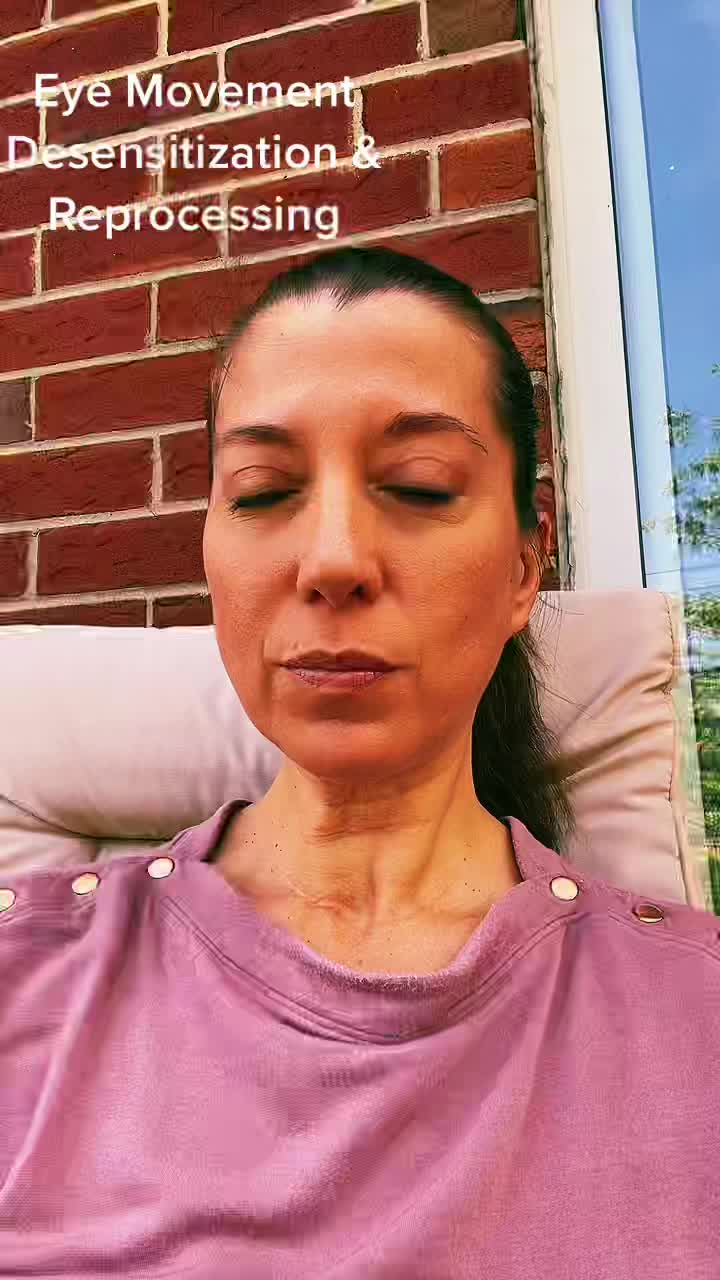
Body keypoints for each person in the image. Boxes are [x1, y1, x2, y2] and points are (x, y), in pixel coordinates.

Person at [1, 245, 718, 1278]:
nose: (333, 558)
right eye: (263, 492)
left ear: (526, 563)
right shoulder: (25, 977)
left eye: (418, 486)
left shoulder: (697, 1013)